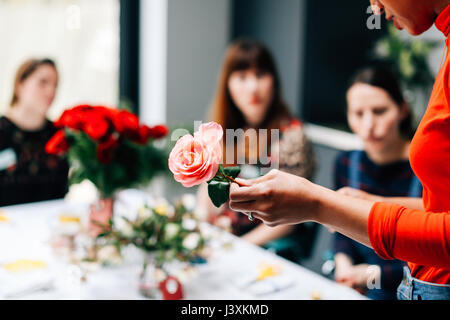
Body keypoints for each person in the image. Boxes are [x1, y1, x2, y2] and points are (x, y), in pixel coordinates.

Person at [229, 0, 450, 300]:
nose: (373, 7)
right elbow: (439, 211)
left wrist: (319, 205)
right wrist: (363, 204)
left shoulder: (291, 138)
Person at [197, 39, 317, 261]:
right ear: (228, 84)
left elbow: (290, 216)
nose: (253, 87)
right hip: (223, 243)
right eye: (242, 77)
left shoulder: (291, 137)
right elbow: (208, 194)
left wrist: (237, 249)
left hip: (266, 252)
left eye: (260, 75)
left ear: (274, 81)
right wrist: (202, 227)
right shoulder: (222, 131)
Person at [332, 65, 422, 300]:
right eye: (358, 114)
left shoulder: (424, 168)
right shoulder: (345, 163)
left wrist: (372, 274)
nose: (369, 125)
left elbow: (433, 251)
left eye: (380, 111)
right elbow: (341, 230)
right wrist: (344, 268)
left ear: (402, 109)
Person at [0, 58, 69, 207]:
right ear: (20, 85)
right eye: (43, 82)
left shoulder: (60, 136)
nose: (51, 91)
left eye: (55, 85)